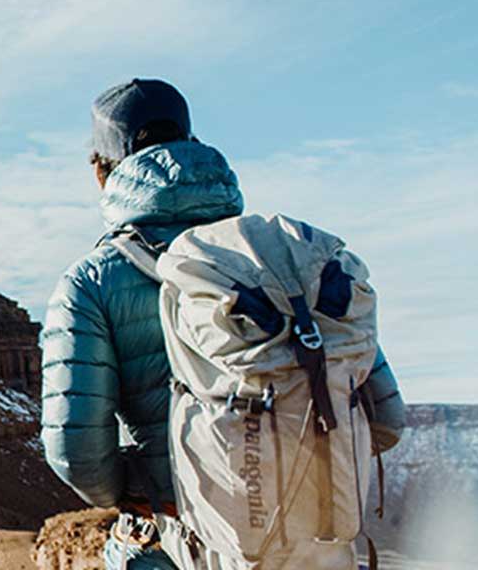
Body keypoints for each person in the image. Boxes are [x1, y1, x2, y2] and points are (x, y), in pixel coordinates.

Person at [38, 79, 406, 569]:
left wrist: (161, 480)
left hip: (185, 543)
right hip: (317, 545)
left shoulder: (90, 283)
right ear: (192, 145)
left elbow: (77, 456)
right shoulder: (285, 259)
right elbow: (387, 421)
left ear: (102, 173)